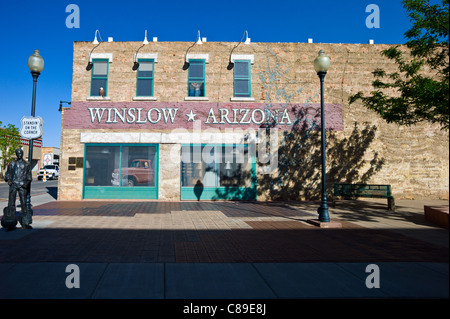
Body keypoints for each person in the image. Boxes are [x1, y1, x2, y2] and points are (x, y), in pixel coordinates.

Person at [4, 149, 33, 229]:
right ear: (16, 154)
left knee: (23, 204)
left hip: (22, 186)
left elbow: (29, 177)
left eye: (20, 153)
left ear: (22, 154)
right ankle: (11, 223)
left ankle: (25, 223)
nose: (19, 154)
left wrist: (25, 185)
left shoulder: (27, 164)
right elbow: (8, 174)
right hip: (13, 185)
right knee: (11, 204)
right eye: (18, 153)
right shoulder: (12, 163)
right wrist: (9, 180)